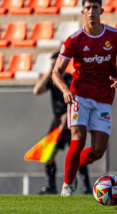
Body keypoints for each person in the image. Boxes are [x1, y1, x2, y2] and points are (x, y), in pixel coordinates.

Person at [52, 0, 117, 196]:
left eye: (95, 7)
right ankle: (67, 186)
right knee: (78, 138)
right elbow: (56, 72)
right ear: (83, 12)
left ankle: (72, 168)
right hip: (79, 95)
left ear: (102, 11)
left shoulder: (114, 36)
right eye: (88, 8)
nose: (91, 11)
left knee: (98, 150)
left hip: (104, 98)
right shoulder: (74, 40)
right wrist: (65, 90)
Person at [33, 52, 92, 194]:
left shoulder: (70, 79)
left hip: (71, 122)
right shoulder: (52, 80)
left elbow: (79, 98)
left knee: (76, 153)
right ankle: (51, 186)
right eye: (51, 63)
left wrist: (68, 114)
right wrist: (49, 72)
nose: (53, 65)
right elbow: (37, 90)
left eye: (56, 63)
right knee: (48, 155)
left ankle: (87, 186)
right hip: (57, 124)